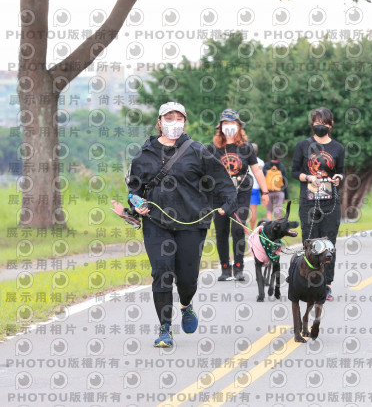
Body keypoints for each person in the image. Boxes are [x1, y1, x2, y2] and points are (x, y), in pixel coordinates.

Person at [110, 102, 238, 348]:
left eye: (179, 118)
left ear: (184, 122)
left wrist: (228, 205)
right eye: (169, 117)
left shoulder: (198, 151)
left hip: (192, 223)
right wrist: (136, 205)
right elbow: (135, 191)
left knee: (187, 279)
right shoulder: (144, 155)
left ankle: (186, 304)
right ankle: (165, 328)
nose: (174, 122)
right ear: (159, 122)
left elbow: (222, 181)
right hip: (156, 223)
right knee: (162, 272)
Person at [207, 109, 270, 282]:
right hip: (219, 193)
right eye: (225, 123)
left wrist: (265, 191)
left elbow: (256, 170)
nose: (229, 126)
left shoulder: (246, 147)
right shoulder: (213, 148)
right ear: (220, 127)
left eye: (232, 123)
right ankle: (225, 268)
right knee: (221, 230)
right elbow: (205, 171)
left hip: (241, 191)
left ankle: (239, 267)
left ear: (238, 126)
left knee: (237, 228)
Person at [291, 107, 345, 301]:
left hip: (331, 203)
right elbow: (294, 171)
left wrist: (338, 178)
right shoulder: (303, 145)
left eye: (324, 123)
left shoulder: (338, 148)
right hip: (309, 202)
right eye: (317, 122)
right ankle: (308, 281)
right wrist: (308, 177)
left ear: (331, 125)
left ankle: (326, 284)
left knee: (329, 243)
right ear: (312, 124)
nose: (320, 126)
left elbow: (341, 171)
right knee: (310, 241)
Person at [264, 144, 290, 220]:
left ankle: (268, 225)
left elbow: (262, 179)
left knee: (269, 211)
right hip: (279, 192)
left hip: (268, 192)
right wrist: (286, 197)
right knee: (278, 211)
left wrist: (263, 193)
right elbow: (285, 182)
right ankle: (277, 226)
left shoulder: (266, 166)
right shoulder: (281, 166)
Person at [247, 143, 264, 230]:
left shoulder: (243, 160)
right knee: (253, 210)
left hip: (244, 187)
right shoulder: (261, 162)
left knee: (242, 209)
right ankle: (252, 229)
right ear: (256, 151)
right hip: (255, 187)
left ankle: (242, 229)